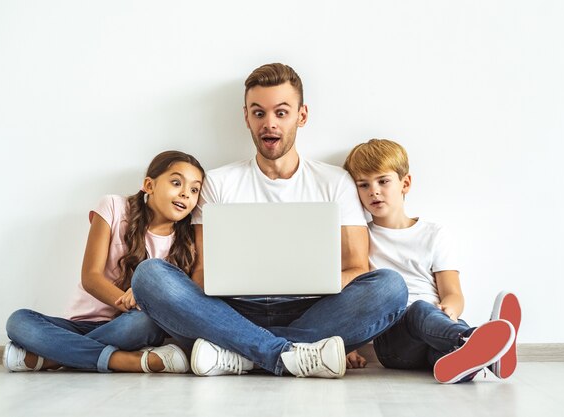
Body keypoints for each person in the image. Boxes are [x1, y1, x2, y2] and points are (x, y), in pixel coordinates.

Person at [130, 63, 409, 379]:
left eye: (281, 112)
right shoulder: (218, 183)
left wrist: (311, 280)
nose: (269, 124)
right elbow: (202, 272)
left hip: (312, 311)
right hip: (230, 312)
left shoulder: (335, 182)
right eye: (259, 113)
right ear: (246, 117)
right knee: (150, 275)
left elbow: (359, 268)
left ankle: (239, 355)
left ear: (301, 116)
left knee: (390, 287)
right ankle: (287, 355)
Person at [3, 150, 205, 373]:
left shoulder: (187, 241)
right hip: (79, 325)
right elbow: (91, 277)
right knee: (19, 321)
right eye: (177, 183)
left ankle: (52, 357)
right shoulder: (113, 207)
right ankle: (126, 361)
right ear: (149, 185)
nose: (186, 194)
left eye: (194, 189)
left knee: (144, 323)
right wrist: (130, 300)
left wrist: (141, 306)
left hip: (130, 326)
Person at [343, 139, 522, 383]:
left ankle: (471, 359)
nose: (373, 191)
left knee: (443, 347)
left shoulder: (434, 233)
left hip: (437, 327)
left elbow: (453, 294)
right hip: (394, 341)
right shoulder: (360, 237)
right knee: (420, 310)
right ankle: (476, 340)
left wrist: (450, 308)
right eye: (363, 185)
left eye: (383, 181)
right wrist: (345, 343)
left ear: (405, 183)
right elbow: (348, 296)